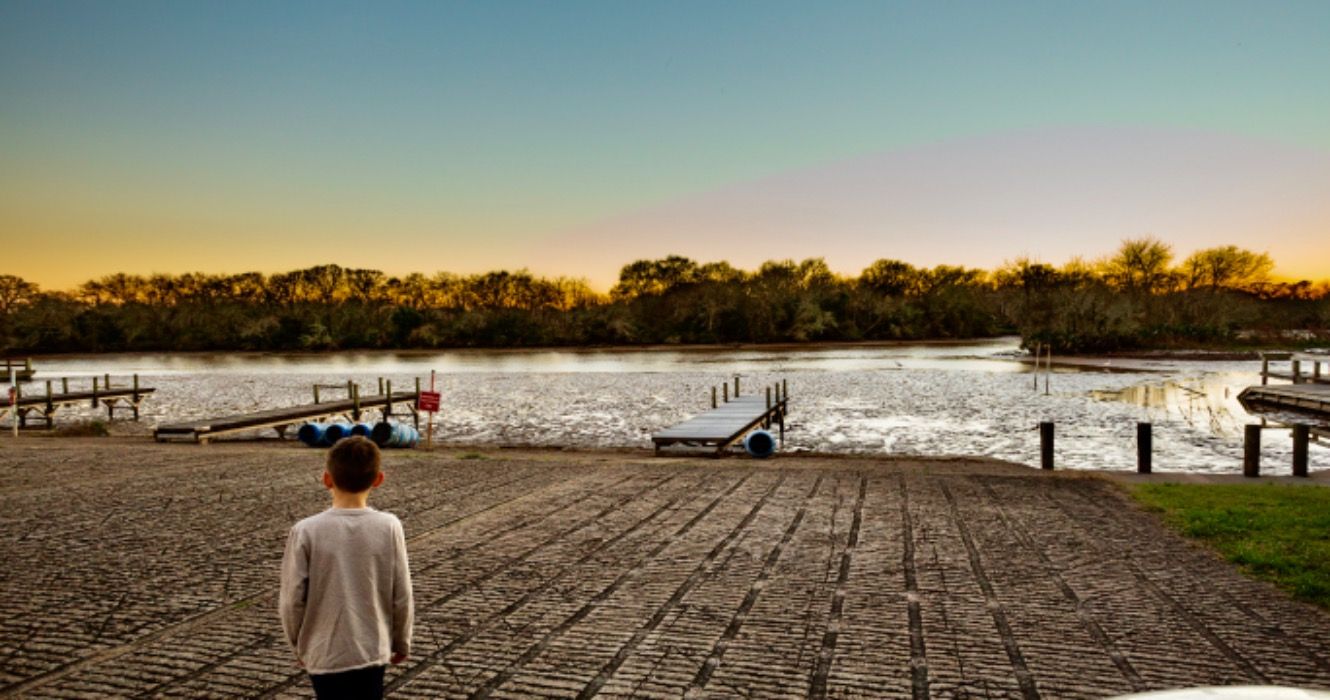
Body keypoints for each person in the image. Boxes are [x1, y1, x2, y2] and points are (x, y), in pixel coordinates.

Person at [280, 436, 413, 699]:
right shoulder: (389, 526)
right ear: (378, 479)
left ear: (327, 479)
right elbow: (402, 592)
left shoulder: (306, 530)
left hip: (323, 650)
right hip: (372, 648)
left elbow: (292, 599)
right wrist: (402, 640)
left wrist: (298, 644)